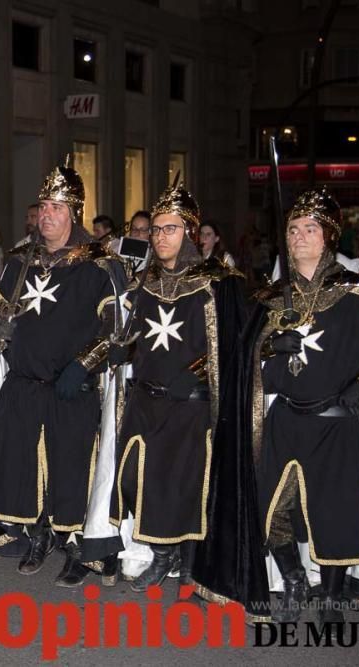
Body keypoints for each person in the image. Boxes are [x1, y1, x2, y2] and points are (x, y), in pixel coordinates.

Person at [253, 189, 359, 632]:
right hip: (284, 417)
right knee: (271, 508)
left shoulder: (355, 291)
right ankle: (291, 579)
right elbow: (243, 353)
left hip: (334, 423)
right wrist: (268, 344)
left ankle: (329, 592)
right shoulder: (272, 296)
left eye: (309, 229)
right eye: (293, 229)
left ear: (328, 237)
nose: (300, 236)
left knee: (334, 511)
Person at [0, 157, 126, 584]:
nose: (46, 214)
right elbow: (0, 315)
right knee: (26, 462)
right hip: (25, 383)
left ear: (74, 214)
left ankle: (74, 543)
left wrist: (83, 365)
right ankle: (39, 532)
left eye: (56, 207)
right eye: (43, 206)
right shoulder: (17, 263)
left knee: (71, 465)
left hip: (71, 385)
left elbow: (118, 328)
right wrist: (3, 335)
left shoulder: (100, 264)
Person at [109, 183, 247, 595]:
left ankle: (187, 565)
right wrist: (120, 349)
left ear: (188, 232)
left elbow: (232, 342)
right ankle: (161, 553)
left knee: (186, 485)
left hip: (189, 404)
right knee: (138, 479)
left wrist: (196, 371)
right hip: (145, 398)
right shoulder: (146, 280)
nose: (160, 237)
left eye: (169, 229)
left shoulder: (217, 282)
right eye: (156, 230)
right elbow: (136, 332)